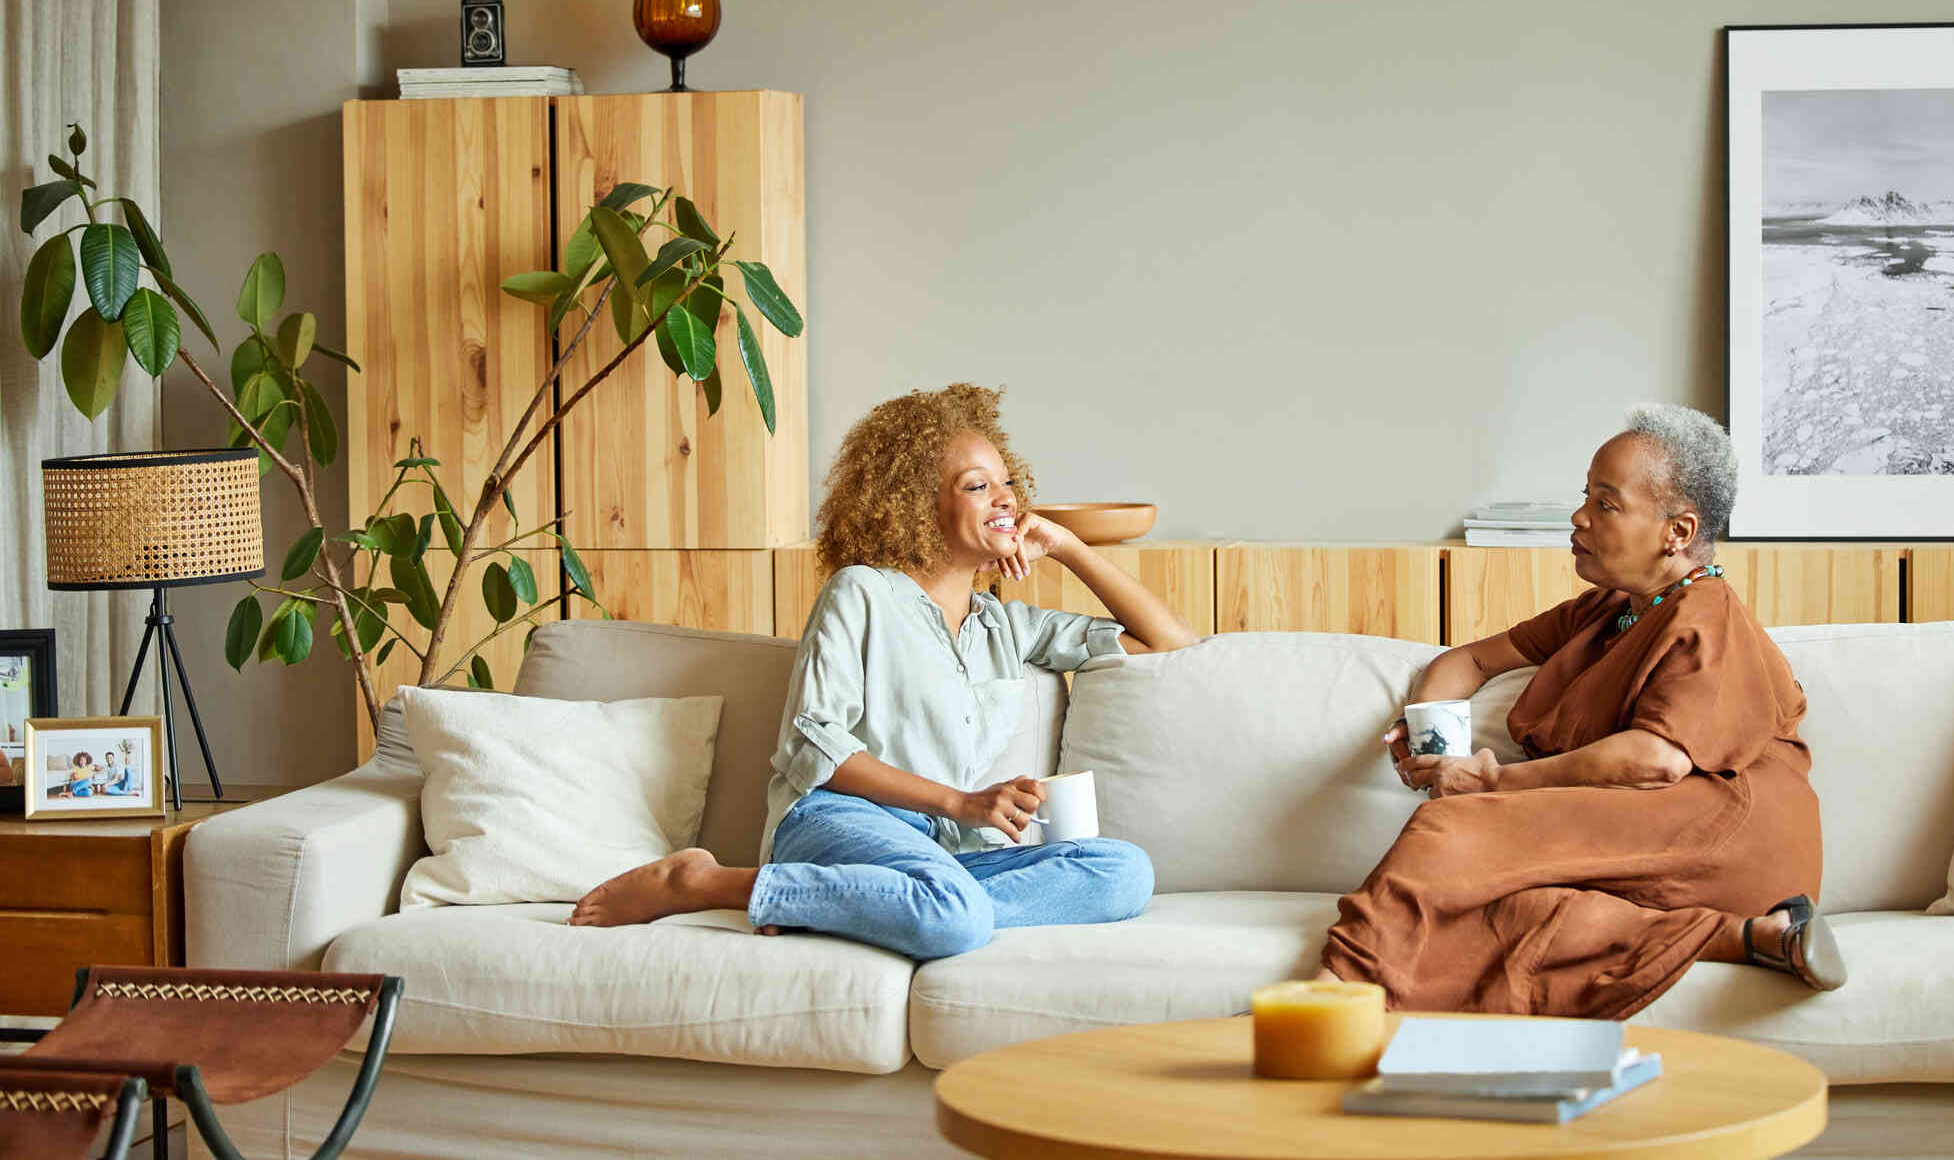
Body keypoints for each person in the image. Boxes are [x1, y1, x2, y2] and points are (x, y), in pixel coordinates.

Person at [571, 383, 1198, 958]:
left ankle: (849, 906)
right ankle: (703, 882)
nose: (1005, 498)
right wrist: (962, 802)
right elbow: (814, 743)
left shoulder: (1009, 627)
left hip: (943, 852)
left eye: (1007, 485)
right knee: (955, 916)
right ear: (918, 506)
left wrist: (1067, 545)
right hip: (840, 820)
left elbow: (1171, 646)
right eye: (978, 486)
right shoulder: (862, 593)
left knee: (1123, 872)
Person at [1320, 404, 1845, 1017]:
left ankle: (1327, 1004)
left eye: (1606, 504)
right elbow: (1471, 662)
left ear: (1677, 531)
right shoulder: (1607, 610)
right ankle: (1754, 937)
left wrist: (1490, 783)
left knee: (1448, 830)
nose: (1579, 517)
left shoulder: (1709, 616)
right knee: (1495, 909)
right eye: (1585, 497)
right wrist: (1434, 737)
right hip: (1653, 834)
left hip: (1726, 838)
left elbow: (1654, 761)